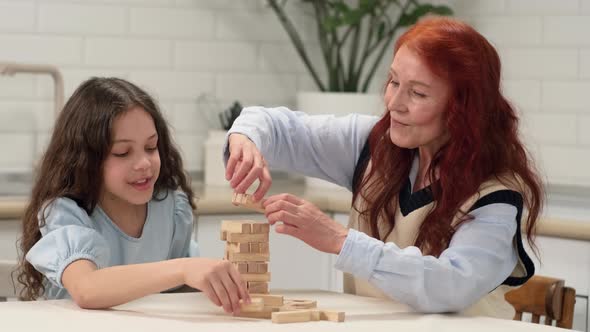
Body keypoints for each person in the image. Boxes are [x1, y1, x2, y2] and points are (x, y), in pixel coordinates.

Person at [223, 17, 543, 318]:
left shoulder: (498, 195)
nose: (394, 103)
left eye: (417, 93)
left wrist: (340, 239)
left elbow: (450, 286)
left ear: (463, 109)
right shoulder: (373, 142)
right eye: (393, 81)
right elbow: (275, 125)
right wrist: (246, 140)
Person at [17, 77, 249, 313]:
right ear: (87, 160)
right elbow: (86, 289)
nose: (144, 163)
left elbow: (178, 295)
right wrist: (183, 268)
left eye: (151, 147)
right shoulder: (66, 213)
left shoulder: (171, 209)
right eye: (123, 152)